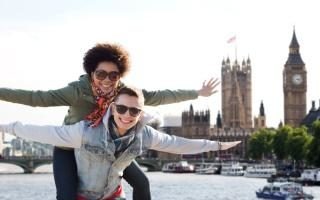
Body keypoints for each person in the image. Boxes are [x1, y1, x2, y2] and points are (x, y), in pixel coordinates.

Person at [0, 43, 219, 200]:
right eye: (101, 74)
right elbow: (35, 97)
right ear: (91, 73)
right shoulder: (76, 91)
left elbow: (160, 95)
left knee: (142, 182)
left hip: (107, 148)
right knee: (66, 194)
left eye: (113, 75)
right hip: (70, 147)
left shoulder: (123, 92)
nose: (107, 80)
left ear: (119, 75)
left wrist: (197, 92)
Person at [0, 86, 241, 200]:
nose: (127, 115)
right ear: (113, 107)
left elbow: (178, 144)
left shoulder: (145, 134)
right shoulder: (85, 132)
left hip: (113, 196)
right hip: (83, 196)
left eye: (134, 111)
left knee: (143, 184)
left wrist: (216, 145)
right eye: (122, 108)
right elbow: (39, 131)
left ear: (140, 112)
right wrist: (5, 127)